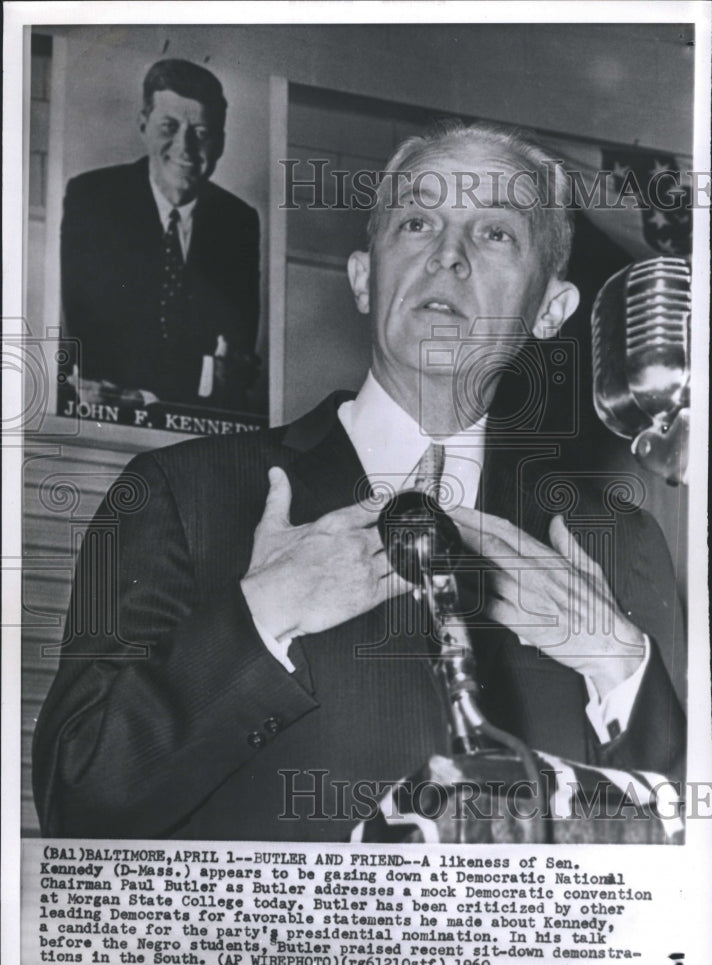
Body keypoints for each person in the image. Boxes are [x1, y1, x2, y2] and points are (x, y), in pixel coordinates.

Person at [33, 120, 686, 841]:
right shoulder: (178, 493)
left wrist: (616, 661)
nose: (448, 256)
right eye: (416, 222)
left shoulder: (619, 545)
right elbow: (77, 800)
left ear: (551, 311)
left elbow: (680, 874)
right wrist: (264, 613)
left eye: (495, 233)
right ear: (363, 278)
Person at [59, 58, 260, 410]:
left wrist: (139, 389)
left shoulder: (238, 222)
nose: (185, 148)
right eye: (169, 126)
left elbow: (237, 366)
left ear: (221, 143)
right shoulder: (92, 198)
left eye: (200, 133)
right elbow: (91, 345)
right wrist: (204, 372)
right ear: (144, 124)